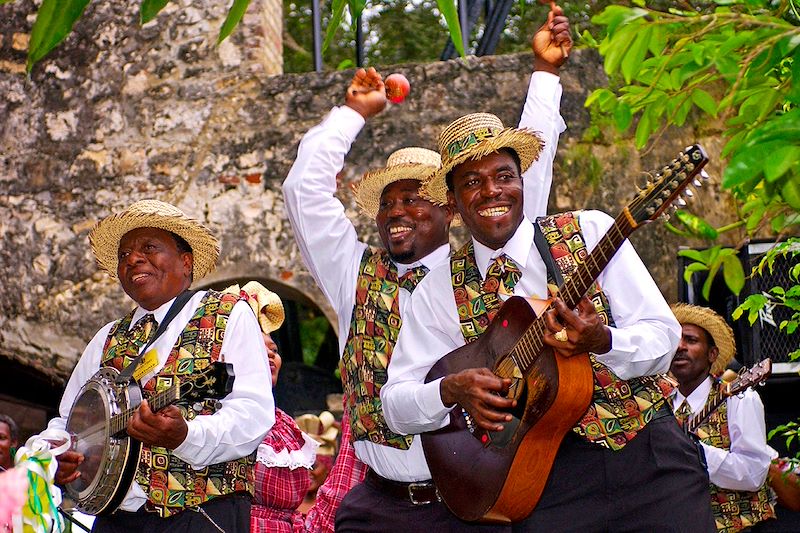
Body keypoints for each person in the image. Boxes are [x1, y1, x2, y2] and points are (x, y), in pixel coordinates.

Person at [282, 10, 570, 530]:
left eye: (414, 198)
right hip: (378, 502)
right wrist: (352, 113)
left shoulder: (490, 271)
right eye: (388, 203)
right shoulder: (355, 274)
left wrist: (544, 75)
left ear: (450, 207)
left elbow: (530, 170)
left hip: (475, 498)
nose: (397, 211)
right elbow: (303, 192)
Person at [381, 112, 716, 531]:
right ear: (452, 202)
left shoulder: (590, 232)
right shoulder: (437, 292)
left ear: (522, 182)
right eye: (471, 182)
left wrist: (603, 340)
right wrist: (450, 389)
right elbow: (395, 405)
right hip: (539, 479)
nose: (491, 191)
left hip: (650, 458)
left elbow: (665, 338)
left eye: (503, 175)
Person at [48, 200, 274, 532]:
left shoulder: (228, 313)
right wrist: (59, 455)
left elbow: (253, 414)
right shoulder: (107, 337)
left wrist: (186, 436)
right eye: (124, 255)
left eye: (149, 248)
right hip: (116, 518)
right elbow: (67, 421)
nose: (133, 258)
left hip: (201, 516)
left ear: (186, 262)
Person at [670, 303, 776, 531]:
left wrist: (697, 452)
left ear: (712, 354)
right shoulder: (659, 405)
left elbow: (753, 473)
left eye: (691, 340)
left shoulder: (739, 398)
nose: (680, 346)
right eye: (675, 340)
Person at [293, 411, 339, 516]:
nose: (307, 472)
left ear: (328, 469)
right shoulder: (286, 507)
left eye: (313, 466)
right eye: (302, 466)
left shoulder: (334, 509)